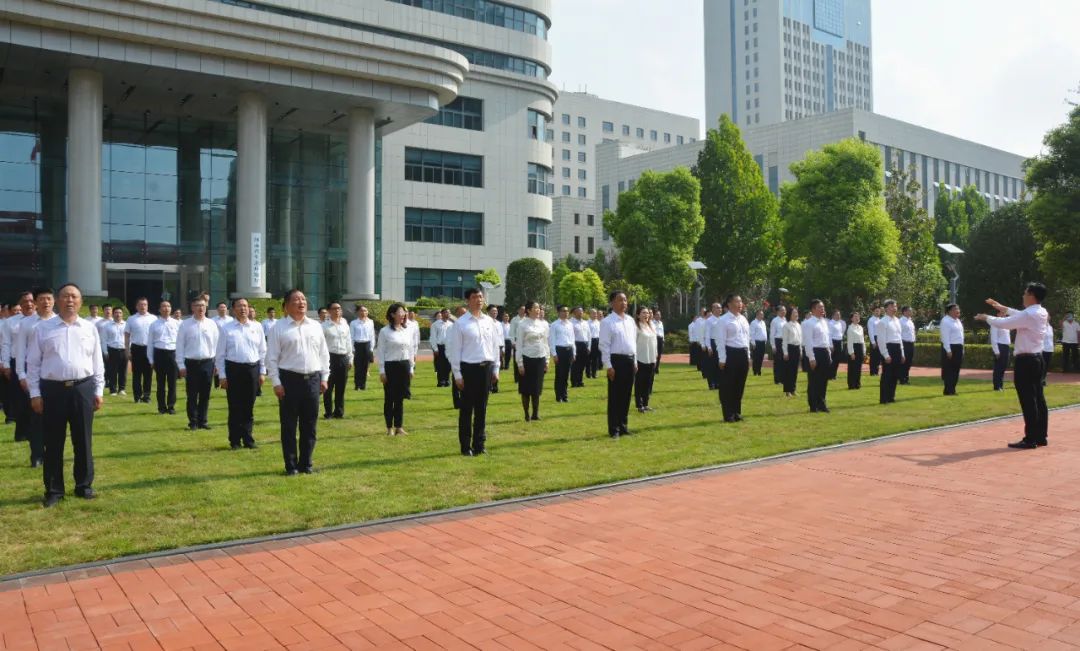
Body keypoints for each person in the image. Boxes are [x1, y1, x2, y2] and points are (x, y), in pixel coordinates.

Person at [26, 283, 104, 507]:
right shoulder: (43, 329)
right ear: (58, 301)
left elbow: (97, 362)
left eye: (74, 297)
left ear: (81, 302)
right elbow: (32, 364)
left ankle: (84, 485)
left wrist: (98, 390)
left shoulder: (89, 328)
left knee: (83, 441)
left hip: (83, 389)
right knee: (53, 442)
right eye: (65, 296)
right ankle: (53, 490)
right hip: (53, 391)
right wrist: (35, 394)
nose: (70, 300)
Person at [975, 283, 1049, 449]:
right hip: (1037, 359)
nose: (1023, 296)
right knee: (1038, 398)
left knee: (1028, 399)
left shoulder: (1029, 314)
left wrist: (987, 317)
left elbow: (1005, 323)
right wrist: (1001, 307)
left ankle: (1030, 438)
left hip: (1026, 361)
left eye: (1025, 293)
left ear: (1031, 295)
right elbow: (1018, 315)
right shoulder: (1040, 311)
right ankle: (1040, 436)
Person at [267, 289, 330, 474]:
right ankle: (291, 465)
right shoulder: (278, 327)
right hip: (289, 380)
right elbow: (271, 358)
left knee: (309, 426)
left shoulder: (315, 326)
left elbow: (323, 354)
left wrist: (324, 377)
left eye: (303, 299)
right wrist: (276, 382)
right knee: (289, 426)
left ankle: (306, 464)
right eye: (296, 300)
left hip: (312, 379)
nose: (301, 303)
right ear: (286, 306)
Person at [446, 288, 501, 456]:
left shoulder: (489, 322)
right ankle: (465, 446)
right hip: (468, 369)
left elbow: (495, 346)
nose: (479, 300)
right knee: (466, 410)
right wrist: (457, 374)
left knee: (482, 409)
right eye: (475, 297)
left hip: (486, 367)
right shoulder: (461, 323)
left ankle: (479, 444)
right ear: (468, 301)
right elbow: (455, 351)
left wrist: (496, 368)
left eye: (481, 297)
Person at [216, 298, 266, 449]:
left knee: (249, 406)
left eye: (245, 306)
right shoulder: (226, 328)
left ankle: (248, 438)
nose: (243, 308)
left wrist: (262, 371)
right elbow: (220, 355)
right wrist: (222, 376)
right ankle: (235, 440)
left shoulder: (257, 327)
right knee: (235, 406)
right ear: (233, 309)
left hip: (252, 369)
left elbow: (262, 351)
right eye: (239, 306)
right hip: (234, 370)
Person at [15, 287, 57, 467]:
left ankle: (53, 453)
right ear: (35, 302)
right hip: (33, 375)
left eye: (49, 299)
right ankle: (37, 454)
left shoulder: (59, 321)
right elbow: (20, 351)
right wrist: (21, 374)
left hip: (54, 376)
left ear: (53, 301)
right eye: (42, 299)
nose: (45, 302)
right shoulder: (27, 324)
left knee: (54, 417)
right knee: (36, 416)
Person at [176, 297, 219, 430]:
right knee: (192, 394)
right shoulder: (185, 324)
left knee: (205, 394)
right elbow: (179, 346)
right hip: (191, 364)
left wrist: (217, 364)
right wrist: (181, 365)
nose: (201, 308)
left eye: (203, 305)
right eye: (197, 305)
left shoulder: (211, 324)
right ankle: (193, 422)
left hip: (208, 363)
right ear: (192, 307)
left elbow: (217, 345)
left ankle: (203, 421)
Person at [600, 291, 637, 438]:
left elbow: (633, 342)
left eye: (625, 300)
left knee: (626, 395)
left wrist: (634, 361)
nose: (624, 303)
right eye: (620, 300)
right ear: (612, 303)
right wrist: (608, 365)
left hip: (629, 360)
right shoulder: (607, 322)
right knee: (615, 396)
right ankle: (614, 428)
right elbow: (604, 345)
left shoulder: (630, 320)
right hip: (616, 361)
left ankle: (623, 426)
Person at [377, 303, 415, 436]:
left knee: (400, 399)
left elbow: (410, 351)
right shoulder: (385, 331)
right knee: (389, 398)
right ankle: (389, 428)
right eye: (401, 312)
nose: (404, 315)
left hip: (404, 366)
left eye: (404, 312)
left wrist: (411, 368)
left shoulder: (407, 331)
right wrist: (382, 371)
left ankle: (399, 427)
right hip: (390, 367)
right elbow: (380, 352)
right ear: (393, 314)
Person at [715, 295, 751, 422]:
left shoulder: (743, 319)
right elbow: (720, 341)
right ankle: (728, 414)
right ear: (729, 304)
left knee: (739, 385)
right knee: (728, 386)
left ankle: (736, 412)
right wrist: (722, 358)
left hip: (743, 353)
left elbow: (747, 339)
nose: (740, 304)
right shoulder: (723, 320)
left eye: (741, 301)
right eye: (737, 301)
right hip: (730, 353)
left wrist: (748, 356)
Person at [2, 293, 33, 431]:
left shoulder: (44, 321)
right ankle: (22, 430)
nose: (29, 304)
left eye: (31, 301)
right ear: (20, 303)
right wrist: (6, 364)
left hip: (37, 363)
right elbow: (6, 344)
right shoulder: (11, 322)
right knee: (19, 397)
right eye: (25, 301)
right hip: (17, 362)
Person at [515, 301, 550, 421]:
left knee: (536, 388)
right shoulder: (522, 324)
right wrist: (520, 363)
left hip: (540, 358)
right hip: (527, 358)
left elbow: (545, 343)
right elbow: (519, 345)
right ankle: (526, 414)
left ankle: (535, 413)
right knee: (525, 388)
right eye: (535, 308)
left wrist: (547, 360)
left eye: (539, 308)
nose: (538, 310)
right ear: (528, 310)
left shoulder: (543, 324)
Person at [147, 301, 180, 415]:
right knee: (160, 383)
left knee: (172, 383)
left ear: (171, 309)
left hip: (173, 354)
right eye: (163, 306)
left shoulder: (177, 323)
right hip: (159, 354)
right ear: (159, 309)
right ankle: (161, 407)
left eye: (168, 306)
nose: (166, 308)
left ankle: (171, 406)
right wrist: (151, 360)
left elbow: (181, 343)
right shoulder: (154, 324)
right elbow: (150, 343)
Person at [321, 302, 352, 419]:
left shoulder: (345, 325)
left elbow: (348, 342)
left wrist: (350, 358)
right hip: (330, 357)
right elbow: (321, 344)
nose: (337, 310)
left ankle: (339, 411)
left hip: (343, 357)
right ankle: (328, 412)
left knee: (341, 386)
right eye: (334, 309)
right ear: (329, 311)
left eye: (339, 308)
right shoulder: (324, 326)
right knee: (328, 386)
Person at [802, 299, 832, 413]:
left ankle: (822, 403)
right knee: (814, 380)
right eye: (820, 307)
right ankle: (813, 405)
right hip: (815, 352)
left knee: (823, 380)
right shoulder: (808, 323)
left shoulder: (824, 322)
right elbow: (808, 342)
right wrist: (812, 358)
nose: (822, 309)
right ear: (813, 309)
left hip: (824, 352)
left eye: (823, 307)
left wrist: (829, 354)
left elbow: (826, 339)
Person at [124, 297, 156, 404]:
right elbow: (127, 336)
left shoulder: (153, 318)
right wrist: (127, 350)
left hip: (149, 348)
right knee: (136, 374)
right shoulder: (131, 319)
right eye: (141, 305)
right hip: (136, 348)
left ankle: (146, 396)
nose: (143, 307)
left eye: (145, 304)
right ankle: (137, 396)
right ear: (137, 306)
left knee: (148, 374)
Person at [876, 300, 904, 404]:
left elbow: (899, 337)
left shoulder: (897, 320)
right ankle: (884, 398)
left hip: (897, 348)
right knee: (887, 375)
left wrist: (902, 353)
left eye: (895, 306)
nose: (894, 308)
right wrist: (885, 354)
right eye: (892, 306)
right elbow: (881, 340)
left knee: (895, 375)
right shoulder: (882, 322)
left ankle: (891, 396)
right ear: (886, 308)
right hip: (889, 348)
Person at [548, 306, 575, 403]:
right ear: (558, 312)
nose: (566, 313)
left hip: (569, 350)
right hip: (559, 350)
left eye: (567, 311)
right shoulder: (554, 325)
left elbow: (572, 339)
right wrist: (554, 354)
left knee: (566, 374)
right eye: (563, 311)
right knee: (559, 374)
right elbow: (551, 340)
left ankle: (565, 395)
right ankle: (558, 396)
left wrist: (574, 353)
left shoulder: (570, 324)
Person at [634, 307, 658, 413]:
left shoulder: (651, 325)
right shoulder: (636, 327)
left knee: (648, 382)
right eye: (643, 313)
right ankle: (639, 405)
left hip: (651, 358)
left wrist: (656, 353)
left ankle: (646, 403)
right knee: (640, 383)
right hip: (640, 358)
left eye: (647, 313)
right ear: (638, 315)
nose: (646, 315)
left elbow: (655, 341)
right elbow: (633, 344)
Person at [939, 304, 965, 396]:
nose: (958, 310)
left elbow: (961, 337)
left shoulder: (958, 321)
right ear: (949, 311)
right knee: (949, 370)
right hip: (950, 347)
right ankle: (948, 390)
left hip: (958, 347)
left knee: (956, 369)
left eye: (958, 308)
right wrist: (948, 350)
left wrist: (962, 349)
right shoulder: (945, 321)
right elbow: (945, 337)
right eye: (955, 309)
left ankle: (952, 389)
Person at [103, 307, 128, 396]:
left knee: (123, 370)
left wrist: (129, 350)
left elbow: (130, 338)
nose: (118, 314)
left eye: (120, 313)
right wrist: (105, 352)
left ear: (122, 314)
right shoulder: (107, 326)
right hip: (112, 350)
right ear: (113, 314)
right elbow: (104, 340)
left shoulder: (126, 325)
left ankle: (122, 389)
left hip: (124, 350)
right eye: (116, 313)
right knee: (112, 371)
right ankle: (113, 390)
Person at [350, 304, 375, 390]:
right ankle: (357, 385)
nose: (363, 312)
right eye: (361, 310)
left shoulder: (370, 322)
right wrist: (352, 348)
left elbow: (372, 336)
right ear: (358, 312)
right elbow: (351, 336)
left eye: (365, 311)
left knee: (365, 366)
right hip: (357, 345)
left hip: (367, 345)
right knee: (358, 366)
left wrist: (371, 348)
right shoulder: (353, 323)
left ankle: (363, 385)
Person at [447, 306, 467, 409]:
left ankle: (466, 401)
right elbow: (449, 345)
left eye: (465, 313)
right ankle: (457, 403)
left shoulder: (469, 326)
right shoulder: (452, 327)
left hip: (468, 360)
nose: (463, 315)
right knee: (456, 382)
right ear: (457, 315)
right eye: (461, 313)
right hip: (456, 359)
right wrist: (452, 360)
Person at [428, 308, 451, 387]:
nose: (448, 314)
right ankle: (441, 381)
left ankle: (447, 380)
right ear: (442, 314)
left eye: (449, 313)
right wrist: (435, 348)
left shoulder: (451, 324)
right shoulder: (435, 324)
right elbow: (433, 337)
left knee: (448, 365)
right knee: (440, 365)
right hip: (440, 347)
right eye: (446, 313)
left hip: (449, 347)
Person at [703, 303, 723, 390]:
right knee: (712, 365)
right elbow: (707, 334)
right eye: (718, 308)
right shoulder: (709, 320)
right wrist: (709, 347)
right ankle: (711, 383)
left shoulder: (722, 320)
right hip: (713, 342)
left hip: (720, 343)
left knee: (720, 364)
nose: (720, 309)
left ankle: (718, 382)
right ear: (713, 309)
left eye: (720, 308)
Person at [990, 312, 1011, 391]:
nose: (1004, 314)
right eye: (1002, 313)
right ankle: (997, 386)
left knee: (1003, 367)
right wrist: (996, 351)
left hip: (1006, 346)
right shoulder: (995, 323)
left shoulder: (1006, 323)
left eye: (1005, 313)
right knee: (998, 367)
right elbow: (993, 338)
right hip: (999, 346)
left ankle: (1001, 385)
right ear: (998, 314)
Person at [570, 306, 590, 388]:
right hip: (576, 344)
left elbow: (589, 335)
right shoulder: (571, 323)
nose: (581, 313)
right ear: (574, 313)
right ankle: (574, 382)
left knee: (582, 364)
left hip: (584, 344)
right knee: (575, 364)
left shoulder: (585, 323)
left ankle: (580, 381)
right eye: (579, 311)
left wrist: (589, 346)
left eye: (582, 311)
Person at [846, 312, 865, 390]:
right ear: (851, 319)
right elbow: (849, 341)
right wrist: (851, 352)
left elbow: (863, 340)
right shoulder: (850, 328)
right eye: (855, 316)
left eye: (858, 316)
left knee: (858, 367)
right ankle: (851, 384)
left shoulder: (860, 327)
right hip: (854, 347)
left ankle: (857, 384)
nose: (857, 318)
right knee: (852, 367)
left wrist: (864, 351)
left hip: (860, 347)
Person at [404, 310, 420, 398]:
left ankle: (406, 391)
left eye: (406, 312)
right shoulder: (393, 326)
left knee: (409, 371)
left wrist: (415, 351)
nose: (405, 314)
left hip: (410, 350)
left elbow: (415, 337)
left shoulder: (413, 325)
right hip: (398, 353)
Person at [487, 306, 503, 393]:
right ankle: (488, 386)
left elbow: (501, 336)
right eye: (493, 311)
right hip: (489, 347)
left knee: (497, 367)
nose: (495, 313)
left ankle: (495, 386)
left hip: (498, 347)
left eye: (496, 312)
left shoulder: (499, 323)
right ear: (488, 312)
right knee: (489, 367)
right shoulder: (486, 322)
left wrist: (502, 348)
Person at [899, 306, 916, 385]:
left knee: (909, 361)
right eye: (909, 311)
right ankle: (902, 378)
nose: (911, 312)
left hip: (911, 343)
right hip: (904, 343)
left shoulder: (910, 321)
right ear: (904, 312)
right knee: (903, 361)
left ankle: (906, 377)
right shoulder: (901, 321)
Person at [770, 305, 787, 385]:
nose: (784, 312)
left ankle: (783, 378)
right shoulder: (775, 321)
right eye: (782, 310)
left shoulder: (785, 320)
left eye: (784, 310)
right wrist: (773, 346)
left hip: (785, 342)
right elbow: (772, 334)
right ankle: (777, 380)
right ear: (778, 312)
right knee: (778, 361)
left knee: (784, 361)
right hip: (778, 341)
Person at [828, 309, 846, 381]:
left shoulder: (840, 323)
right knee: (833, 359)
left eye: (839, 315)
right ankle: (830, 375)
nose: (838, 316)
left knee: (837, 360)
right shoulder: (830, 323)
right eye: (837, 314)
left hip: (839, 341)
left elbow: (841, 333)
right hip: (833, 342)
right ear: (833, 315)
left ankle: (834, 375)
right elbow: (829, 335)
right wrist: (831, 345)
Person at [750, 310, 768, 376]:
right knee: (756, 358)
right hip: (756, 342)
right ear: (757, 315)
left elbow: (765, 332)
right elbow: (751, 334)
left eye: (762, 314)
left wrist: (765, 341)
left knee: (761, 357)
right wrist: (753, 343)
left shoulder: (763, 322)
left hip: (763, 342)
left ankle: (759, 370)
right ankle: (755, 371)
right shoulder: (753, 323)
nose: (762, 316)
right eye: (761, 314)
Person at [867, 306, 883, 376]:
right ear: (873, 312)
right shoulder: (871, 320)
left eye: (878, 311)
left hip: (880, 338)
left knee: (878, 356)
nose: (877, 312)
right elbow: (870, 331)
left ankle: (876, 371)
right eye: (876, 311)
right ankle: (872, 372)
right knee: (873, 356)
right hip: (874, 338)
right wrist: (873, 342)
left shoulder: (880, 320)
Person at [588, 309, 602, 378]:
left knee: (595, 358)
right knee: (589, 358)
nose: (595, 315)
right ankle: (588, 372)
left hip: (597, 340)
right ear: (590, 314)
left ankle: (594, 373)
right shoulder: (587, 323)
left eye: (596, 313)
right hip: (590, 340)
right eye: (593, 313)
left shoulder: (598, 323)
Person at [653, 309, 665, 374]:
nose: (659, 316)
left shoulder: (661, 323)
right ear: (654, 315)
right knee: (655, 355)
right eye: (657, 314)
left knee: (659, 355)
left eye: (659, 314)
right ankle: (654, 368)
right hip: (655, 339)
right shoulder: (652, 322)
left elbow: (662, 332)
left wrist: (663, 340)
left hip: (660, 339)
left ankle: (657, 368)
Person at [1042, 320, 1054, 387]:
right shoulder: (1041, 326)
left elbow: (1051, 339)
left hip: (1050, 349)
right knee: (1042, 366)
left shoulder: (1050, 327)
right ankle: (1040, 380)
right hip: (1042, 349)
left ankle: (1043, 380)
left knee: (1046, 366)